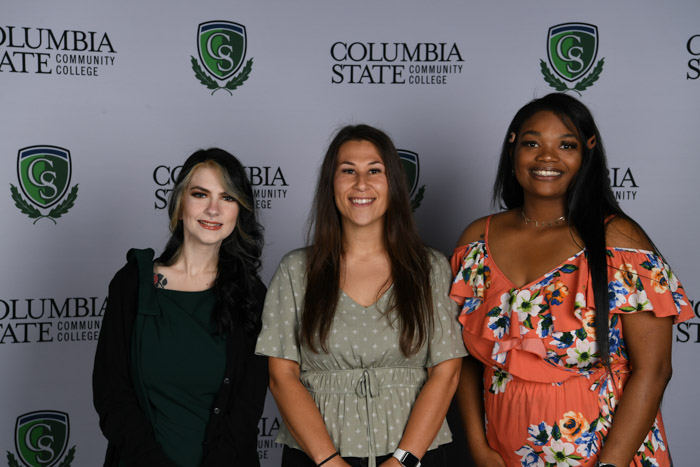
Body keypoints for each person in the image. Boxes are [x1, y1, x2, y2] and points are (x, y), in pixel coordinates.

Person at [450, 93, 693, 467]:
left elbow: (655, 369)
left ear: (587, 152)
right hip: (503, 447)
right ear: (512, 145)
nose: (547, 158)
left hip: (602, 451)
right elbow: (466, 360)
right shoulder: (476, 241)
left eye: (566, 145)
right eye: (533, 143)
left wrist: (610, 464)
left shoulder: (619, 241)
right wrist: (480, 448)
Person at [256, 124, 466, 467]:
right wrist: (329, 462)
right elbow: (282, 377)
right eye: (348, 171)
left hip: (413, 457)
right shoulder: (296, 271)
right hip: (317, 457)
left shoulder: (429, 268)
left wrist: (402, 460)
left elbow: (447, 372)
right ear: (331, 184)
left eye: (375, 170)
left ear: (394, 184)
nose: (361, 184)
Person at [93, 148, 268, 466]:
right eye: (201, 194)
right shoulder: (132, 284)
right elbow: (111, 394)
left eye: (227, 198)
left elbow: (247, 407)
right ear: (179, 204)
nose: (213, 209)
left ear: (239, 211)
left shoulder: (251, 295)